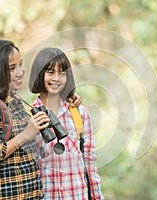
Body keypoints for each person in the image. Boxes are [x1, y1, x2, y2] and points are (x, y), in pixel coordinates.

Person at [0, 39, 50, 199]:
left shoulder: (13, 100)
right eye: (12, 68)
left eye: (20, 64)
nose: (20, 72)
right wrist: (25, 135)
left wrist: (68, 98)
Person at [29, 47, 104, 199]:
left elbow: (90, 162)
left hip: (77, 194)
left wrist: (97, 197)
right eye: (50, 72)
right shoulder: (28, 119)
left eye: (62, 73)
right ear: (39, 74)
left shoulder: (79, 113)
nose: (56, 78)